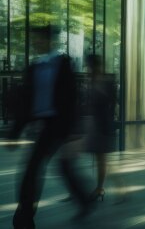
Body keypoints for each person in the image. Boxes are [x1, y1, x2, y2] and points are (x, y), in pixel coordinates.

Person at [8, 25, 94, 228]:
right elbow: (26, 101)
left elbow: (72, 97)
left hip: (59, 123)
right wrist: (15, 131)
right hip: (42, 123)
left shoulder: (63, 63)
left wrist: (74, 129)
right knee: (64, 167)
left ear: (49, 41)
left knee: (33, 166)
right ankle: (84, 200)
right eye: (34, 40)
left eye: (39, 39)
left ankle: (25, 215)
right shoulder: (34, 66)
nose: (36, 43)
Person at [84, 54, 123, 204]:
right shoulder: (94, 82)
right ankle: (106, 187)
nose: (87, 69)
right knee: (102, 160)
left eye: (89, 66)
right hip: (96, 126)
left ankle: (104, 188)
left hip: (103, 127)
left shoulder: (106, 83)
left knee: (102, 159)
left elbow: (110, 106)